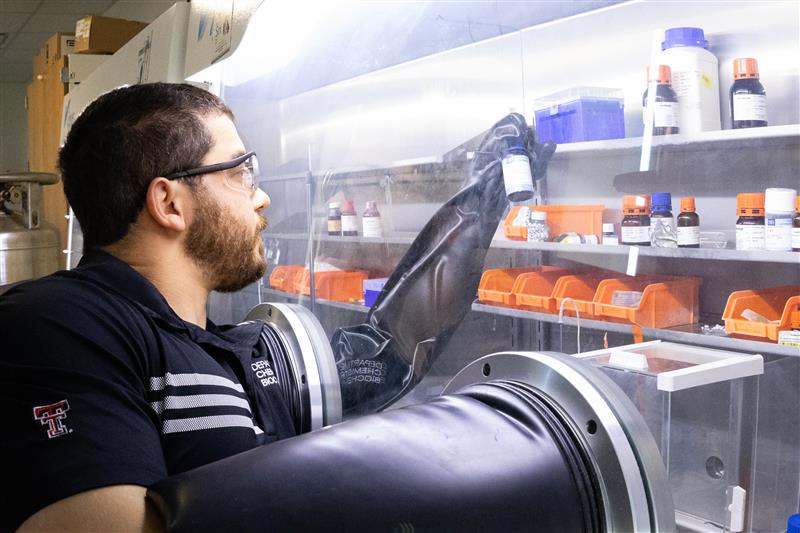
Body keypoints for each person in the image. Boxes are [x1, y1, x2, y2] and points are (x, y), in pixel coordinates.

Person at [0, 82, 292, 532]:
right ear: (169, 202)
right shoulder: (60, 324)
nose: (260, 196)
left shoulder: (215, 345)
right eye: (240, 171)